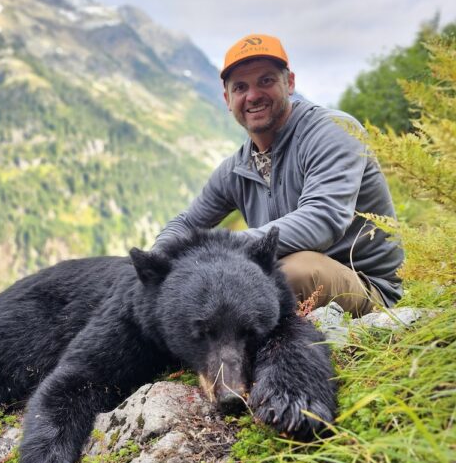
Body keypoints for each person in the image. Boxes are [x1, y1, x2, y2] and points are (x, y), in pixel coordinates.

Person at [153, 34, 404, 317]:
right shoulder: (236, 168)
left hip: (365, 284)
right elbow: (187, 222)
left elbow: (322, 219)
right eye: (240, 87)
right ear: (227, 99)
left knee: (286, 274)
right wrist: (155, 263)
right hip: (290, 272)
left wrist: (224, 249)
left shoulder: (333, 131)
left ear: (290, 82)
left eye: (266, 81)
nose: (253, 95)